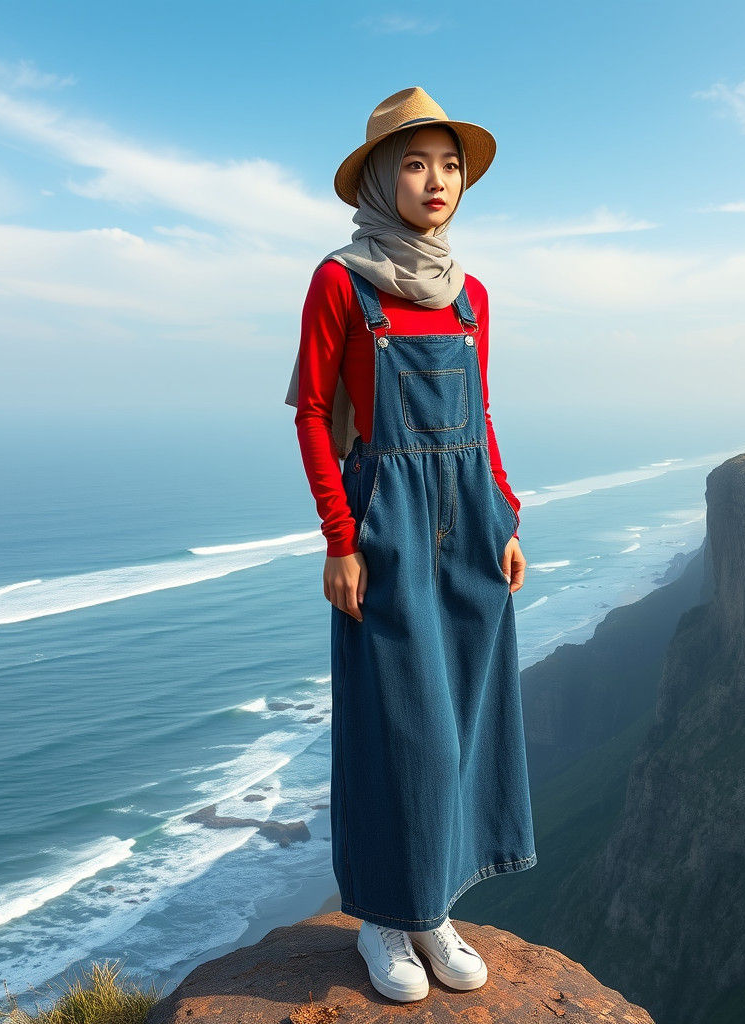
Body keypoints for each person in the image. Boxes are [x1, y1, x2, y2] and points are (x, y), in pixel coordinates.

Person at [287, 86, 537, 1003]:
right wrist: (340, 539)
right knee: (399, 728)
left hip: (470, 525)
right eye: (415, 163)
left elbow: (482, 419)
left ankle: (430, 906)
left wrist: (506, 517)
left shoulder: (471, 295)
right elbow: (315, 413)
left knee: (466, 718)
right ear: (381, 180)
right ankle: (385, 922)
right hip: (384, 524)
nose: (436, 181)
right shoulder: (339, 281)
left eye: (450, 165)